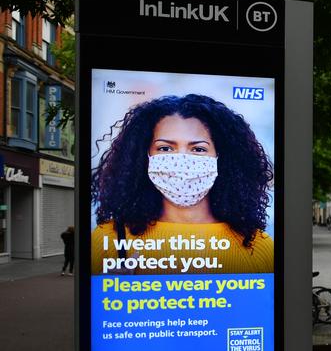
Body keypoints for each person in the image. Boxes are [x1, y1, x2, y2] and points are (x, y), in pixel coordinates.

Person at [90, 94, 274, 275]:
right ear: (143, 157)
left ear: (222, 158)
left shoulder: (258, 246)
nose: (181, 160)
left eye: (198, 149)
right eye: (165, 148)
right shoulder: (109, 240)